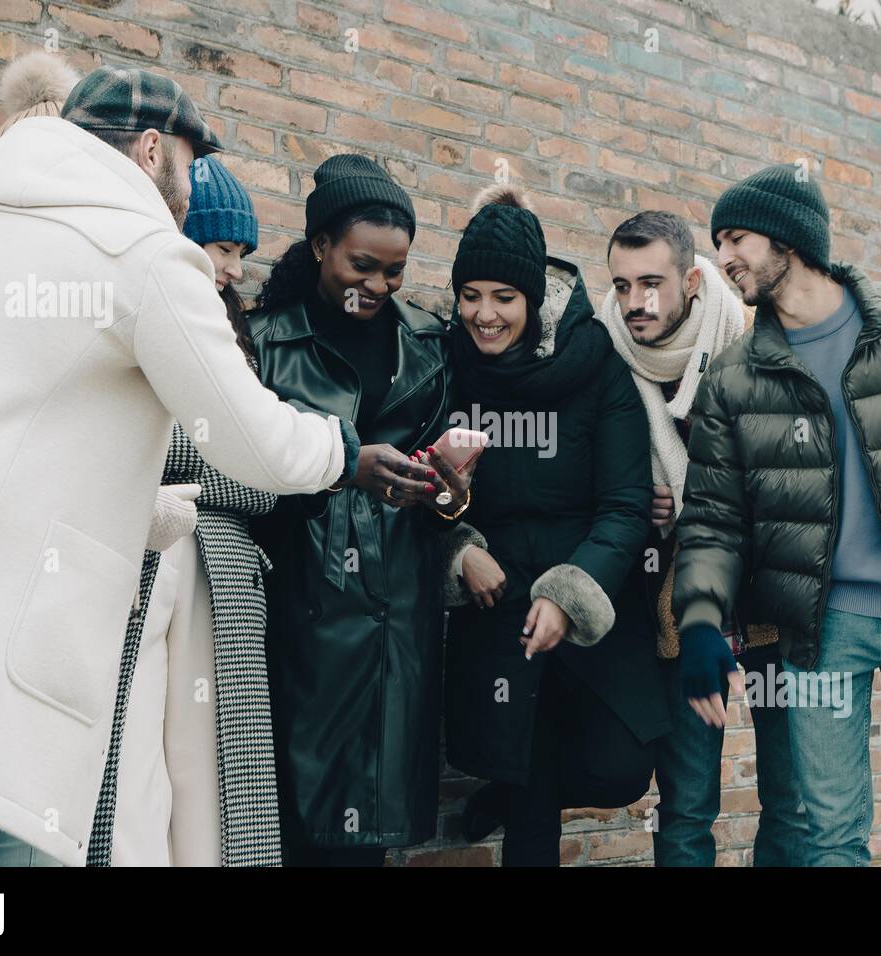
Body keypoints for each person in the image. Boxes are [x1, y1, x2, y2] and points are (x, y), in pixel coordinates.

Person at [0, 67, 356, 867]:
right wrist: (347, 449)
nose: (192, 192)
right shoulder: (143, 253)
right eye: (190, 168)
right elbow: (251, 441)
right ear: (152, 150)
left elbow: (2, 419)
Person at [673, 163, 881, 866]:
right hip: (823, 630)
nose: (723, 258)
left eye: (736, 237)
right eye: (719, 242)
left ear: (790, 240)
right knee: (830, 842)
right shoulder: (733, 380)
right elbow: (712, 517)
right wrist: (702, 620)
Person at [247, 154, 470, 867]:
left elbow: (438, 490)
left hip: (397, 624)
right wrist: (342, 473)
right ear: (319, 246)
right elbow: (246, 488)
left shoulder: (429, 346)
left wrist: (450, 495)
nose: (378, 286)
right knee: (287, 829)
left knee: (364, 844)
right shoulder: (267, 343)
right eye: (362, 265)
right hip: (301, 619)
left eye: (395, 271)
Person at [443, 185, 670, 867]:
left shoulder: (597, 366)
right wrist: (458, 546)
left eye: (504, 298)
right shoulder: (447, 366)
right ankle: (518, 796)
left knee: (620, 770)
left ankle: (513, 795)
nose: (485, 315)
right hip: (499, 608)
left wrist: (569, 593)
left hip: (593, 601)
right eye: (471, 295)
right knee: (527, 772)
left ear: (533, 298)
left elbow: (627, 504)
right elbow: (424, 491)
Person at [88, 155, 288, 867]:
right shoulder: (131, 304)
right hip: (135, 564)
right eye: (223, 248)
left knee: (211, 780)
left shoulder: (236, 337)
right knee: (129, 771)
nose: (235, 269)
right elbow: (109, 446)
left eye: (241, 254)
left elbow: (264, 476)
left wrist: (179, 463)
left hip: (220, 577)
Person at [598, 209, 809, 867]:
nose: (636, 302)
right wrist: (643, 500)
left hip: (773, 589)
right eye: (623, 285)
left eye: (652, 283)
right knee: (686, 807)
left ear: (691, 281)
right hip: (680, 602)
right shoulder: (605, 352)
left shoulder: (757, 342)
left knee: (793, 798)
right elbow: (592, 476)